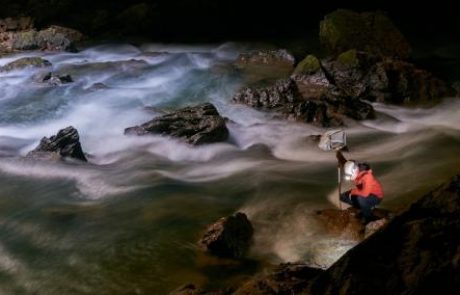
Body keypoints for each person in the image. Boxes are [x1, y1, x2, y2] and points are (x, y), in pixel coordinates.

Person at [336, 151, 384, 224]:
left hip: (375, 196)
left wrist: (352, 192)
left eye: (350, 176)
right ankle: (363, 208)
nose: (350, 178)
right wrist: (339, 156)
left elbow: (365, 193)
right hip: (362, 192)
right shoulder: (353, 169)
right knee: (342, 197)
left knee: (360, 198)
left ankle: (369, 218)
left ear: (355, 170)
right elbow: (345, 163)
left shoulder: (367, 176)